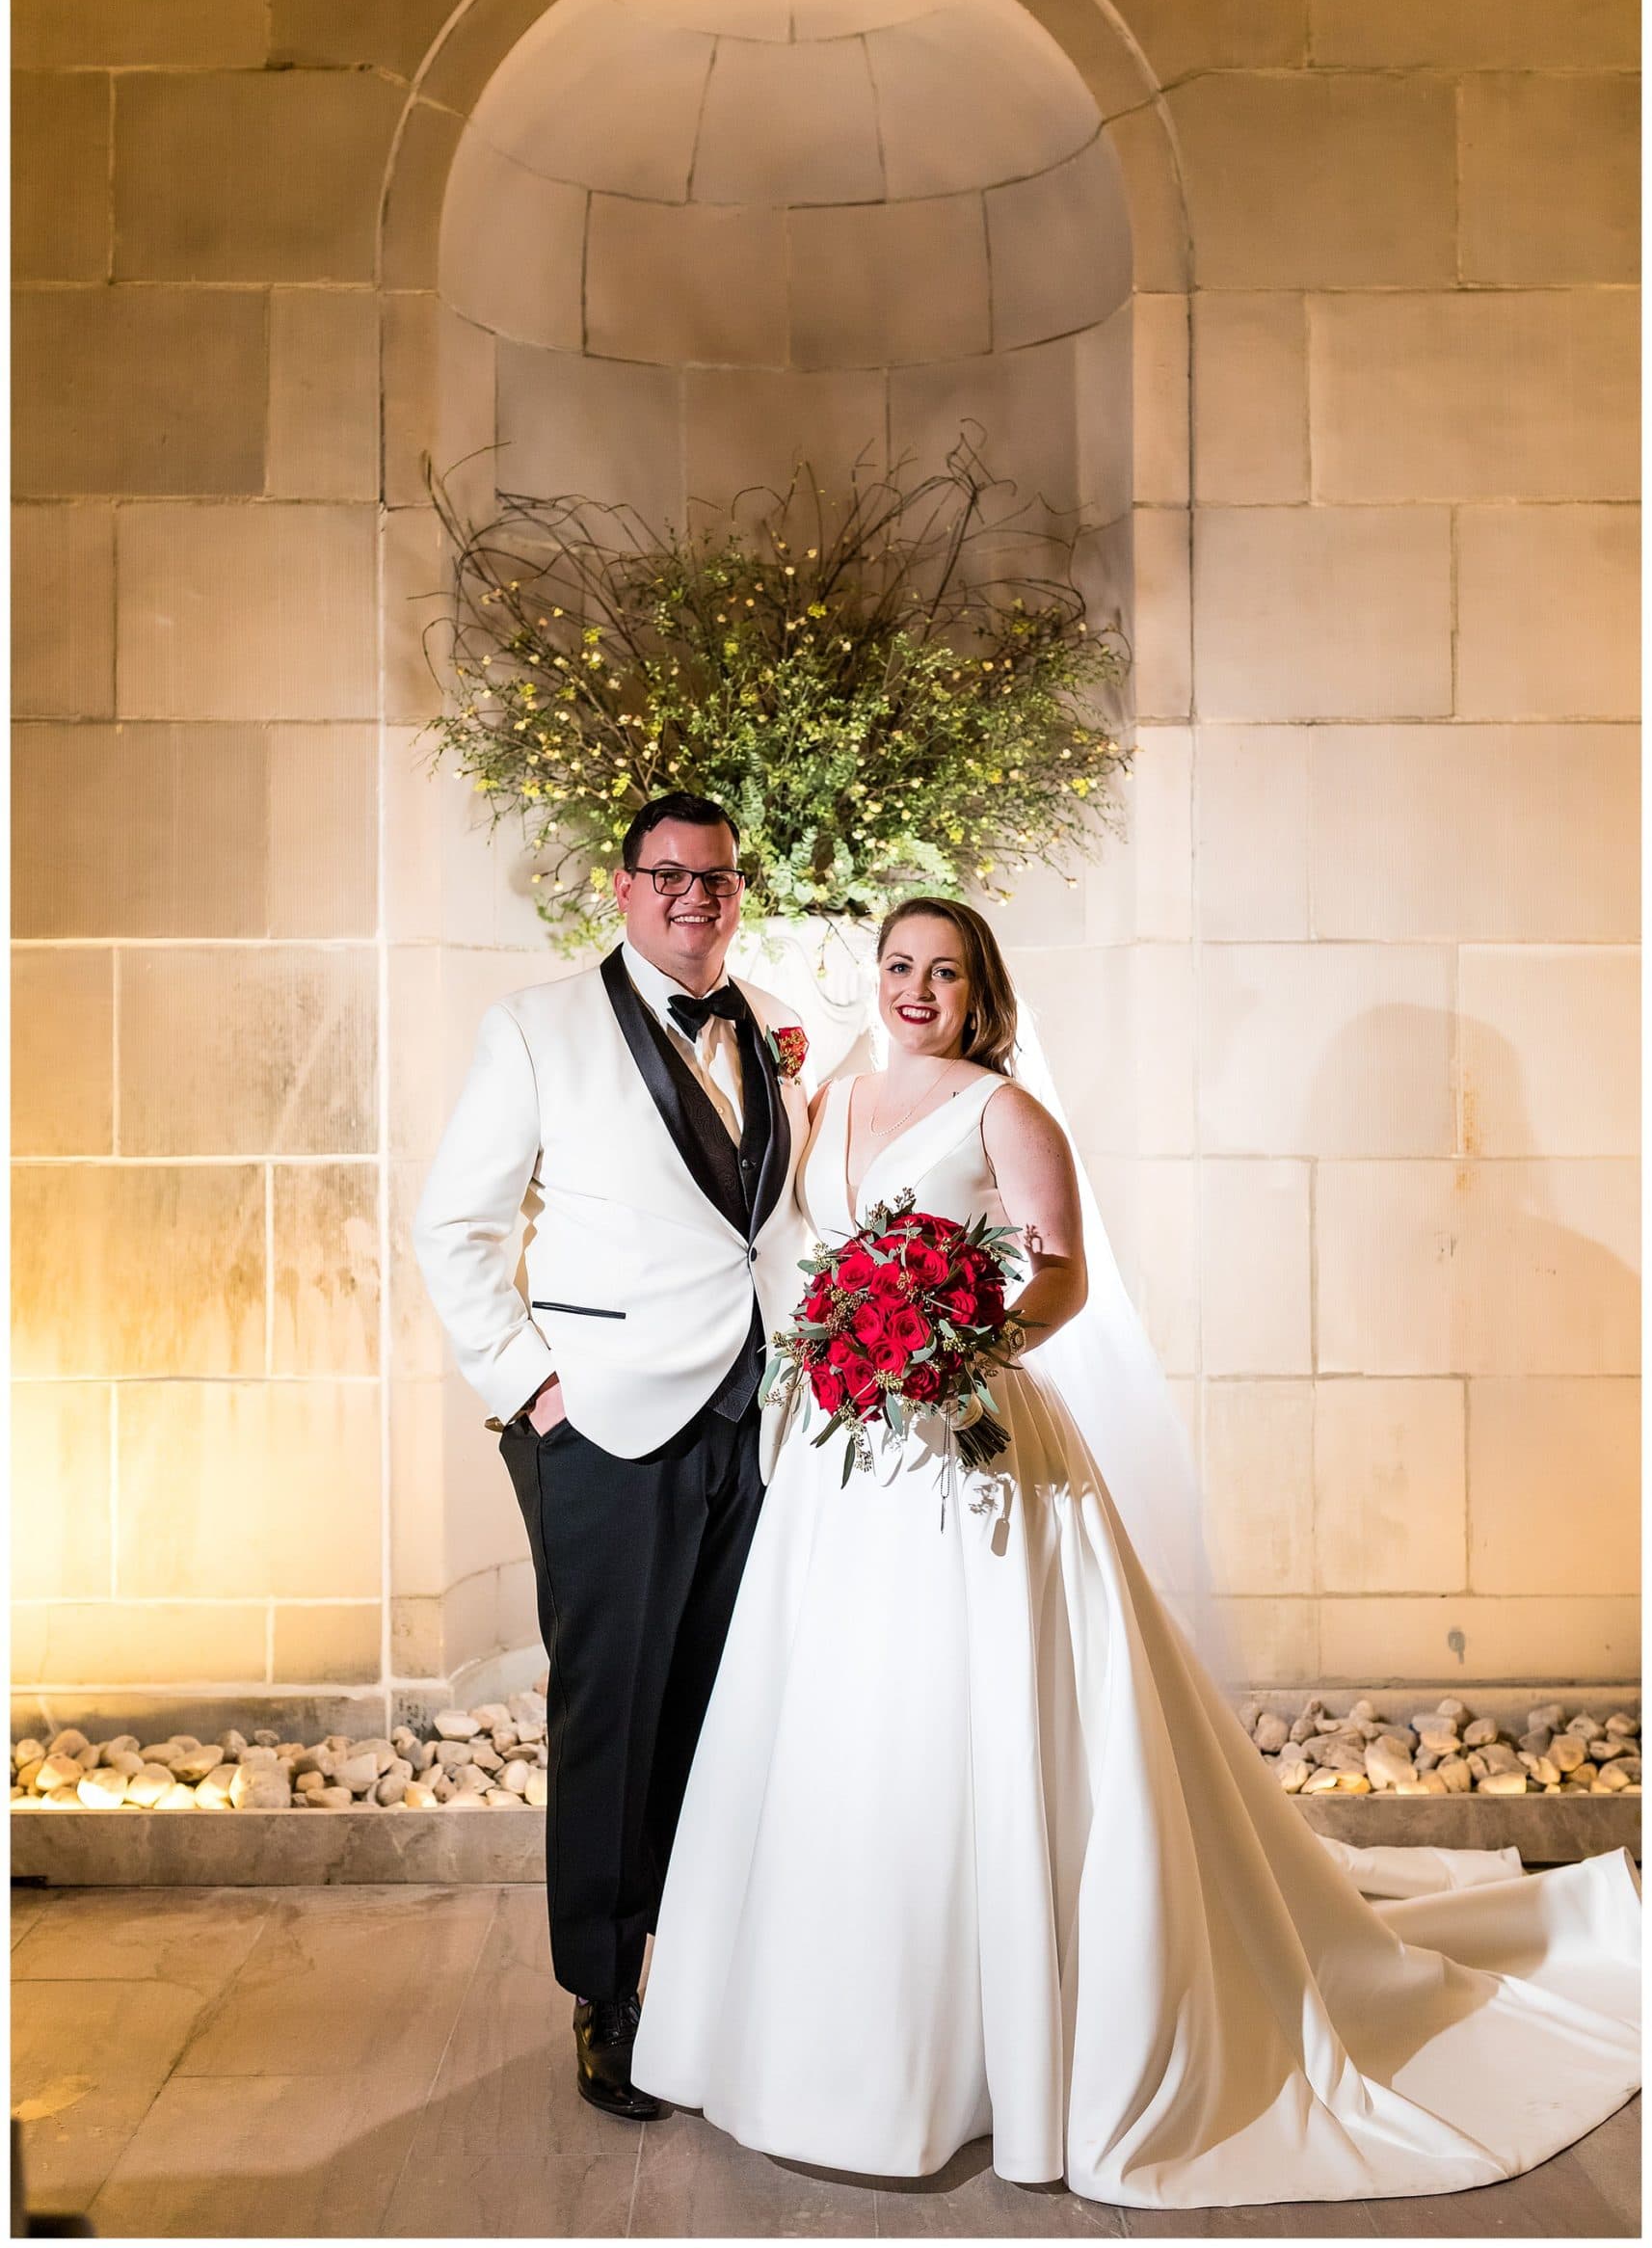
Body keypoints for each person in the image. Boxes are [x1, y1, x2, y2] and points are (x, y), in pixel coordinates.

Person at [630, 896, 1641, 2208]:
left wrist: (957, 1350)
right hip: (844, 1459)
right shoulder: (827, 1109)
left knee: (983, 1722)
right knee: (848, 1719)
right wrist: (847, 1353)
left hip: (965, 1443)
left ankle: (1014, 2044)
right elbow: (806, 1258)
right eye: (898, 967)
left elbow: (1058, 1278)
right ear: (870, 981)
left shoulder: (1005, 1114)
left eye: (943, 971)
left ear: (980, 991)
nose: (916, 989)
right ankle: (826, 2030)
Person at [413, 792, 812, 2121]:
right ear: (625, 889)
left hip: (748, 1423)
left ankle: (701, 1984)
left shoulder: (765, 1026)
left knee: (717, 1712)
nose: (694, 895)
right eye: (667, 875)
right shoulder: (534, 1028)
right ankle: (606, 1996)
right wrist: (532, 1390)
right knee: (611, 1716)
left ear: (736, 892)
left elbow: (763, 1224)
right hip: (603, 1428)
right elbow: (453, 1227)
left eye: (715, 877)